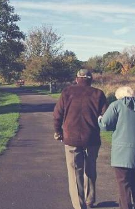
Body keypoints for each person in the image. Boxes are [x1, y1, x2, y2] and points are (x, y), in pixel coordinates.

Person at [53, 69, 108, 209]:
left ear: (77, 79)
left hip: (71, 138)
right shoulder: (98, 93)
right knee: (90, 169)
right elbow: (105, 117)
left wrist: (58, 131)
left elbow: (57, 114)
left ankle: (79, 205)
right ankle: (90, 200)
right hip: (92, 138)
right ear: (90, 79)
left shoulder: (67, 92)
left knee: (74, 173)